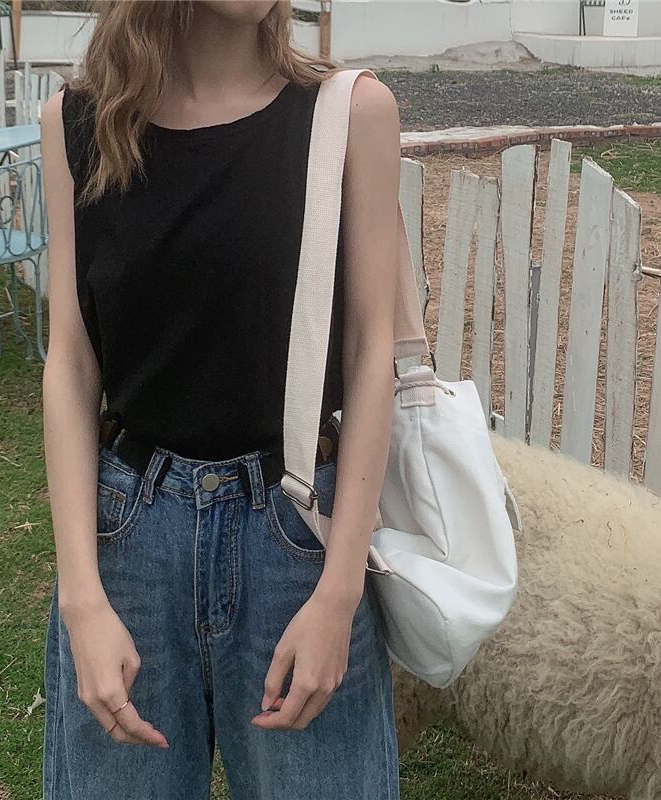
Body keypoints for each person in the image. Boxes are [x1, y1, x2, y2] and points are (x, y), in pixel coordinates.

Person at [40, 2, 402, 797]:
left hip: (298, 539)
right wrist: (82, 600)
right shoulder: (77, 123)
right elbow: (71, 360)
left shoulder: (349, 114)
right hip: (127, 543)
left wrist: (339, 594)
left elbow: (372, 353)